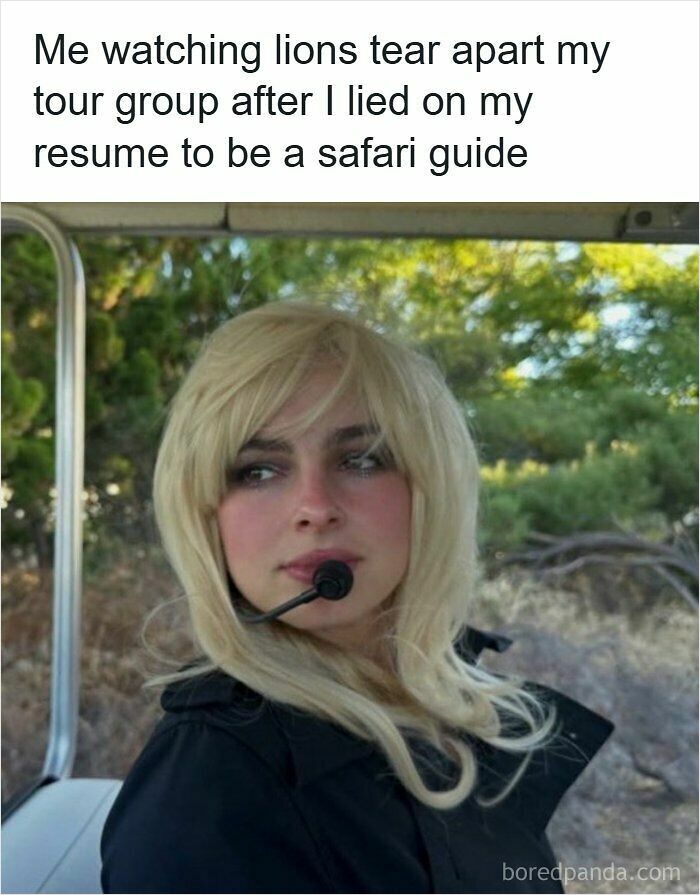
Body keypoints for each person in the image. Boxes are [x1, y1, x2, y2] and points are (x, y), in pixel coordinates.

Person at [100, 302, 614, 893]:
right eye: (259, 470)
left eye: (362, 459)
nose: (315, 507)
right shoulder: (206, 792)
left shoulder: (442, 698)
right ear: (205, 512)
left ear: (431, 488)